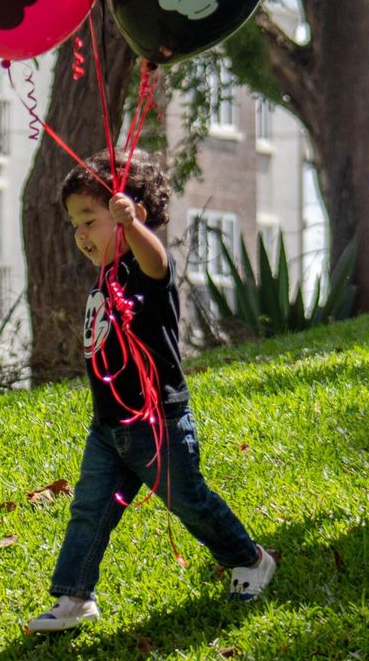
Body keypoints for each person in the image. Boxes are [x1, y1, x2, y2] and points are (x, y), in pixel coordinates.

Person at [26, 148, 275, 633]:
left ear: (128, 213)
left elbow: (155, 255)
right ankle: (75, 597)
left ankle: (249, 559)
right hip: (109, 427)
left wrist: (133, 226)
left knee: (189, 502)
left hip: (157, 420)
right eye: (74, 223)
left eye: (89, 219)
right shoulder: (105, 276)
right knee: (89, 511)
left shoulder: (146, 270)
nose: (79, 233)